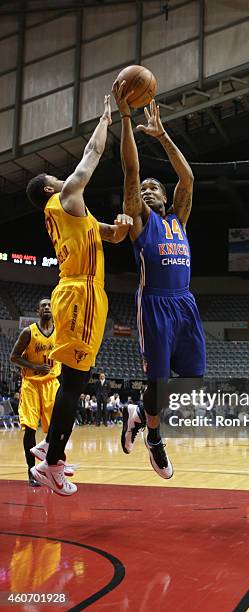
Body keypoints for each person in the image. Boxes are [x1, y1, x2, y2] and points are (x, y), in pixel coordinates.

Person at [25, 95, 133, 496]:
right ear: (52, 187)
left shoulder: (74, 211)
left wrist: (119, 229)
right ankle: (53, 463)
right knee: (75, 381)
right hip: (80, 293)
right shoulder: (65, 195)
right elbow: (92, 152)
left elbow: (106, 233)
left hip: (84, 293)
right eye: (57, 175)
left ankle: (48, 446)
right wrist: (105, 119)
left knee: (74, 379)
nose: (62, 175)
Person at [112, 83, 206, 478]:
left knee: (194, 378)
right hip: (155, 303)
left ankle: (138, 412)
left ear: (165, 200)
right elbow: (131, 171)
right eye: (144, 189)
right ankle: (153, 436)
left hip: (185, 302)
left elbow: (187, 179)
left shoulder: (177, 220)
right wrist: (128, 118)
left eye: (155, 188)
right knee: (158, 378)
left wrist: (163, 134)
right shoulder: (139, 223)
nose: (147, 189)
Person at [10, 298, 61, 487]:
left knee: (54, 430)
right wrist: (33, 366)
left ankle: (48, 468)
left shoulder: (60, 331)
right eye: (43, 306)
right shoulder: (28, 332)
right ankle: (31, 471)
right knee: (30, 428)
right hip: (31, 384)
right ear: (37, 310)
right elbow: (13, 357)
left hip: (51, 384)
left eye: (49, 305)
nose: (47, 307)